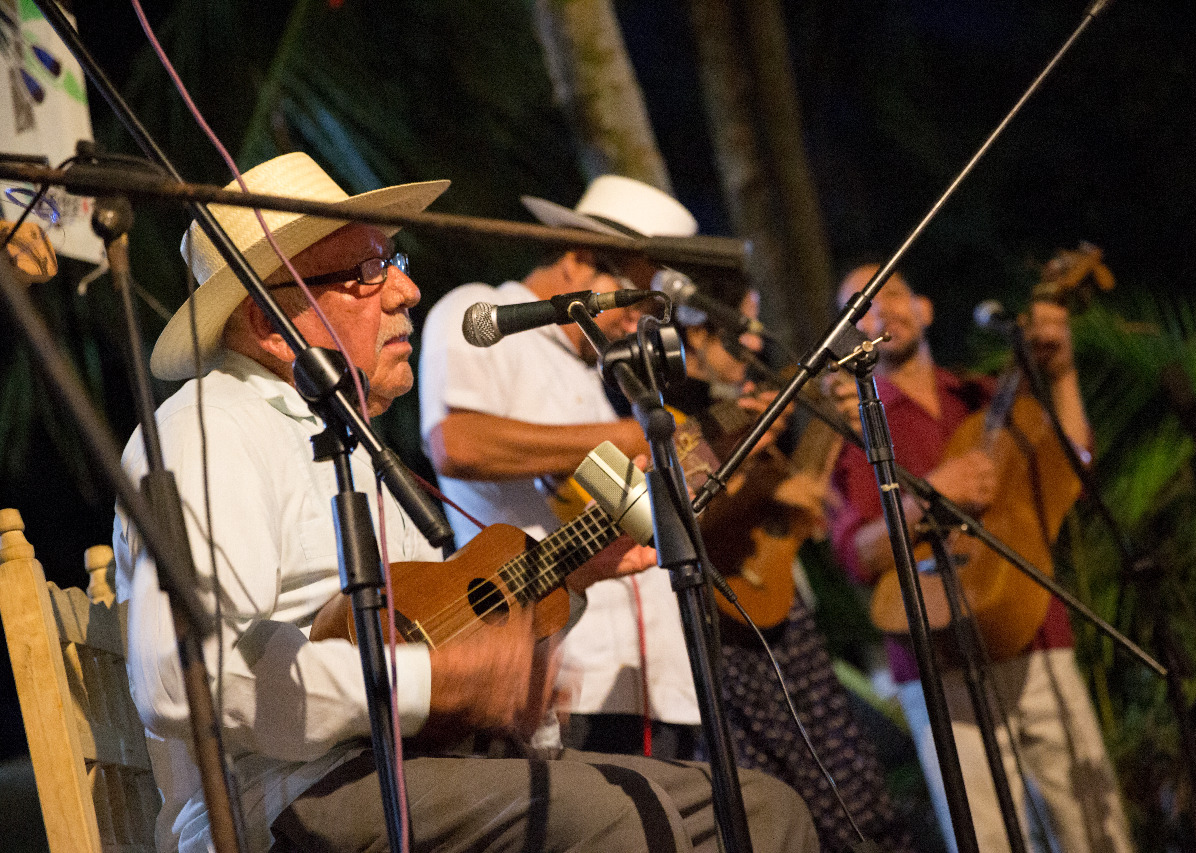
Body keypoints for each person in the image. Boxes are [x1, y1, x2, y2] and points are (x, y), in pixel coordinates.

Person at [113, 153, 819, 853]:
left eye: (395, 261)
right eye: (367, 272)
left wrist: (559, 599)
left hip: (426, 771)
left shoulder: (363, 452)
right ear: (273, 321)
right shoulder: (207, 429)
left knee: (757, 807)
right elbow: (185, 676)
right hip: (289, 801)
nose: (404, 292)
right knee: (612, 816)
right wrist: (433, 680)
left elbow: (445, 633)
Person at [826, 262, 1133, 853]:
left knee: (1097, 832)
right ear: (851, 337)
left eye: (891, 292)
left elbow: (1074, 466)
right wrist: (934, 494)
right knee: (987, 840)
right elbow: (857, 555)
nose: (880, 309)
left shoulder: (984, 395)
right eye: (860, 305)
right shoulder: (854, 428)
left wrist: (1062, 371)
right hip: (938, 664)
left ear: (925, 309)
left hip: (1033, 630)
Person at [419, 175, 703, 760]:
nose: (641, 320)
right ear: (576, 264)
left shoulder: (598, 379)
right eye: (637, 298)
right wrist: (612, 438)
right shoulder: (482, 312)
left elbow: (630, 511)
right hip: (558, 669)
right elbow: (457, 442)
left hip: (654, 683)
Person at [664, 288, 926, 853]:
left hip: (782, 608)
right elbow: (686, 515)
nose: (753, 339)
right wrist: (770, 482)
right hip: (731, 631)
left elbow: (792, 508)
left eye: (755, 324)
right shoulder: (675, 415)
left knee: (849, 781)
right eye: (738, 329)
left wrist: (807, 464)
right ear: (697, 338)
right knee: (790, 795)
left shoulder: (744, 405)